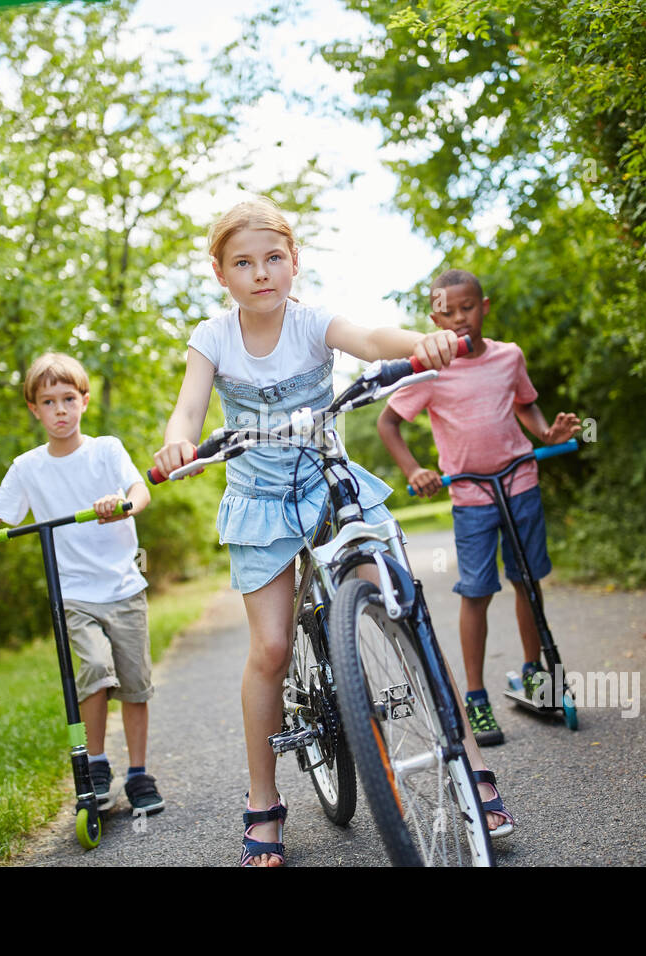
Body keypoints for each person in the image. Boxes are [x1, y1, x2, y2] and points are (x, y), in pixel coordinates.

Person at [153, 197, 515, 866]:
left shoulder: (314, 321)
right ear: (220, 273)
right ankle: (264, 802)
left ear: (294, 262)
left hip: (328, 479)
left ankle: (467, 765)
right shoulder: (212, 337)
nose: (261, 272)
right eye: (243, 262)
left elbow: (374, 342)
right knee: (268, 649)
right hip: (259, 499)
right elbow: (189, 409)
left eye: (273, 258)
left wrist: (420, 343)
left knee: (401, 602)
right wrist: (179, 445)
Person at [378, 269, 581, 746]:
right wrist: (414, 471)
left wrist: (546, 434)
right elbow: (389, 423)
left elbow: (525, 404)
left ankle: (534, 670)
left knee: (527, 581)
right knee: (476, 590)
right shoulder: (428, 369)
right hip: (470, 496)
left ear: (484, 306)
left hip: (520, 481)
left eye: (466, 308)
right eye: (446, 313)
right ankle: (475, 696)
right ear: (433, 319)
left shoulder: (509, 357)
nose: (458, 319)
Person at [0, 352, 164, 817]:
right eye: (48, 401)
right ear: (34, 409)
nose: (59, 410)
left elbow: (140, 491)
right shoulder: (27, 467)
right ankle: (95, 765)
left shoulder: (106, 450)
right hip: (73, 593)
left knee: (135, 684)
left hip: (123, 589)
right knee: (93, 669)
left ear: (84, 401)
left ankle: (138, 774)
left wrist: (122, 504)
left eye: (68, 399)